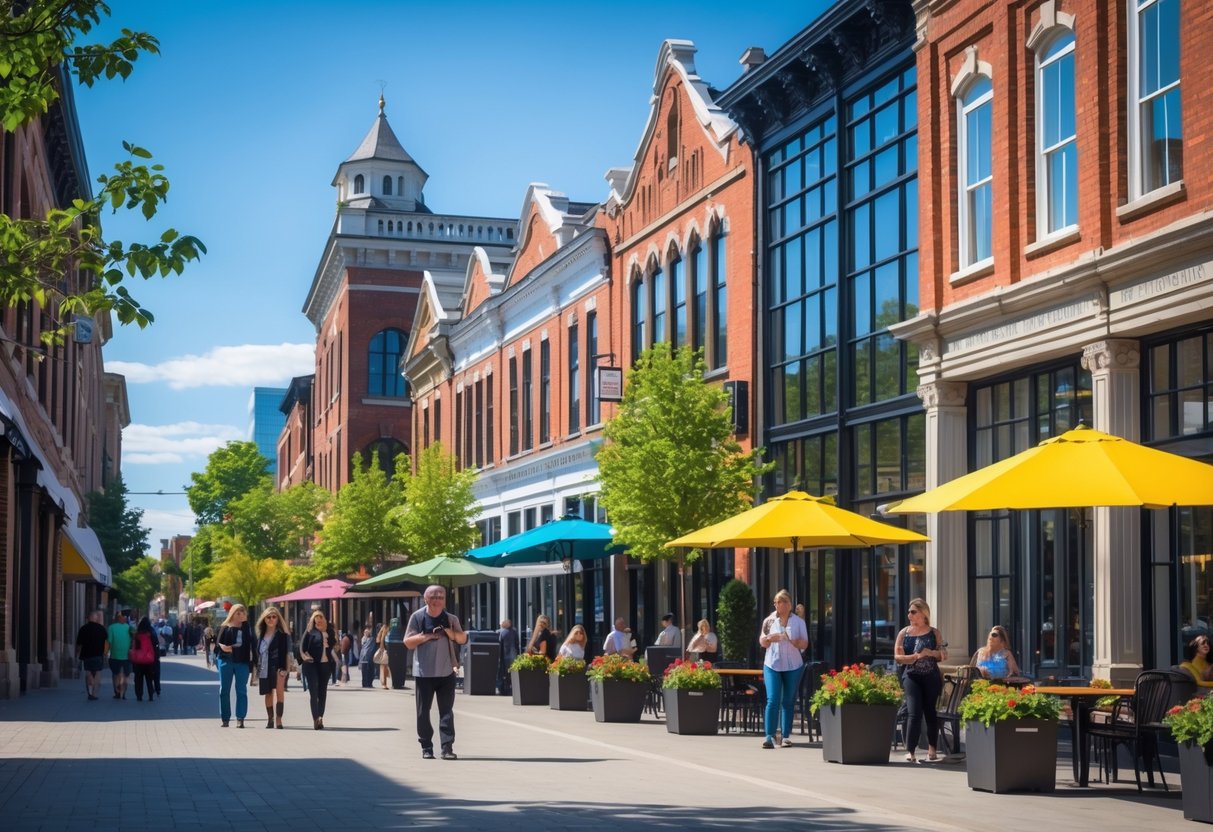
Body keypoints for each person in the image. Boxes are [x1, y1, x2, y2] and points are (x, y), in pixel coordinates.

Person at [403, 585, 467, 760]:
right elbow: (407, 642)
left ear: (445, 599)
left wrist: (449, 632)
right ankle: (426, 746)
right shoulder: (417, 617)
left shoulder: (451, 618)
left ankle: (447, 748)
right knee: (423, 712)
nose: (437, 599)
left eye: (441, 596)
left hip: (446, 672)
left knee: (446, 711)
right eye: (433, 596)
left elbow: (462, 638)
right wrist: (427, 636)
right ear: (426, 599)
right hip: (423, 672)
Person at [894, 597, 948, 763]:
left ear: (923, 613)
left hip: (931, 676)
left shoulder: (934, 633)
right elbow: (897, 657)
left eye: (913, 611)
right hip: (911, 676)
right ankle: (911, 750)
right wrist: (915, 656)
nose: (909, 614)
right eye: (909, 611)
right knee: (914, 711)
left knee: (930, 711)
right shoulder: (904, 633)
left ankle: (932, 749)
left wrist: (930, 653)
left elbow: (944, 655)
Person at [758, 589, 809, 749]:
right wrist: (769, 639)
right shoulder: (769, 621)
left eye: (782, 602)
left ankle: (786, 736)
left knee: (788, 700)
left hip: (793, 665)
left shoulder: (798, 622)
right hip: (772, 664)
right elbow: (762, 642)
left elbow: (805, 644)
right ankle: (769, 736)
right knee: (772, 699)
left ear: (789, 604)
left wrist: (793, 641)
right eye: (777, 602)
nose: (779, 605)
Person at [215, 604, 256, 728]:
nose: (241, 615)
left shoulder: (247, 628)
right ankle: (225, 718)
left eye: (243, 613)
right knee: (224, 690)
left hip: (242, 662)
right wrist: (222, 647)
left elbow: (251, 644)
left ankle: (240, 718)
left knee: (241, 690)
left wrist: (255, 664)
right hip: (225, 661)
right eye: (238, 613)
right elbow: (217, 645)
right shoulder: (224, 627)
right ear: (232, 613)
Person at [299, 609, 334, 729]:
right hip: (311, 664)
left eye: (320, 619)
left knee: (322, 692)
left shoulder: (330, 631)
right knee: (313, 692)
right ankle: (315, 719)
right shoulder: (309, 631)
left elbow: (335, 646)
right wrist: (304, 657)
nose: (318, 622)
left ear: (324, 620)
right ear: (313, 621)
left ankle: (320, 718)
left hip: (325, 665)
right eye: (316, 620)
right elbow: (302, 648)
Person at [74, 610, 107, 700]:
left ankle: (89, 691)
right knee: (97, 673)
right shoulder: (102, 629)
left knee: (88, 672)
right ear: (96, 619)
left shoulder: (83, 628)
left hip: (86, 655)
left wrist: (77, 654)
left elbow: (79, 644)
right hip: (98, 655)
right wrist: (105, 653)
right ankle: (94, 694)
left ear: (89, 618)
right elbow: (106, 642)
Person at [130, 617, 159, 702]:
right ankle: (150, 695)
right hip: (149, 660)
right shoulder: (151, 634)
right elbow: (156, 646)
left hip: (138, 660)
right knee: (149, 679)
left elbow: (133, 646)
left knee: (138, 679)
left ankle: (139, 696)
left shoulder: (137, 635)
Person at [105, 610, 132, 700]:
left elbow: (109, 642)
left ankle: (117, 692)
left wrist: (105, 653)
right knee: (125, 675)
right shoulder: (129, 628)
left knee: (115, 674)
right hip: (127, 656)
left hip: (114, 655)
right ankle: (123, 693)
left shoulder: (111, 627)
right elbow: (134, 640)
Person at [497, 618, 519, 696]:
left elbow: (500, 645)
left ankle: (503, 689)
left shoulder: (502, 633)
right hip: (513, 655)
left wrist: (499, 657)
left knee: (503, 673)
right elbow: (517, 644)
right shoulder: (514, 632)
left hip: (505, 655)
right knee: (512, 673)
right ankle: (511, 688)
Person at [376, 623, 392, 689]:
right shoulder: (381, 635)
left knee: (385, 668)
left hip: (387, 652)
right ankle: (383, 684)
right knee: (383, 668)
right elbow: (378, 641)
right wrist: (382, 632)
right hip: (383, 652)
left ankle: (384, 683)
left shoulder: (388, 634)